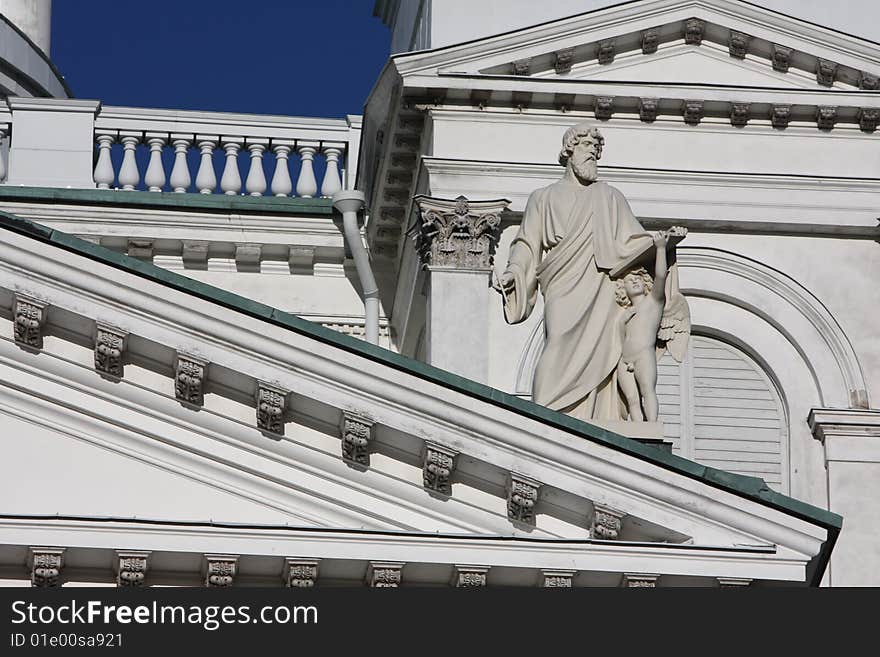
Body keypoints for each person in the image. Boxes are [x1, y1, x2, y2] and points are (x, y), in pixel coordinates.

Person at [494, 123, 688, 422]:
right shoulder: (543, 198)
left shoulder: (609, 197)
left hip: (603, 287)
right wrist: (514, 272)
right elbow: (527, 243)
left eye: (597, 152)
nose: (593, 157)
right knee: (558, 340)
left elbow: (633, 241)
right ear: (568, 151)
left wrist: (662, 242)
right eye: (587, 149)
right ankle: (546, 413)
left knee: (605, 349)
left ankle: (597, 417)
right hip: (563, 281)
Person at [615, 231, 670, 422]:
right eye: (630, 281)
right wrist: (622, 321)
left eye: (638, 278)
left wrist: (661, 248)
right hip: (624, 359)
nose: (635, 281)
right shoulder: (624, 313)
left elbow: (661, 275)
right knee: (632, 400)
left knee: (647, 392)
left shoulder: (653, 302)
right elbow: (621, 337)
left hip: (643, 355)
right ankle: (639, 430)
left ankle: (652, 427)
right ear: (624, 289)